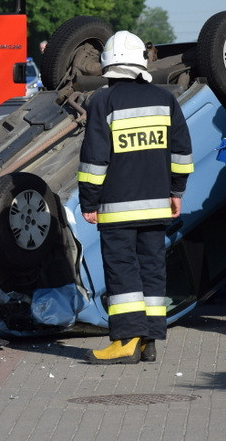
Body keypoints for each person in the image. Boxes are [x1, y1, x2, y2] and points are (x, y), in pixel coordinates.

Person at [77, 31, 193, 363]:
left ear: (108, 65)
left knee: (122, 270)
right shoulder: (164, 99)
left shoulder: (103, 101)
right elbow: (182, 151)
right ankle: (148, 340)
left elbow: (95, 158)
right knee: (152, 268)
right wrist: (177, 190)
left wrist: (89, 201)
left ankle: (126, 340)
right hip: (157, 205)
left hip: (118, 208)